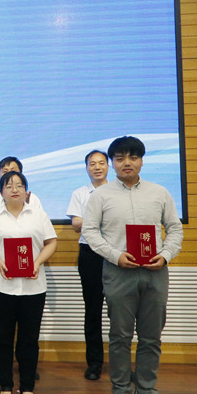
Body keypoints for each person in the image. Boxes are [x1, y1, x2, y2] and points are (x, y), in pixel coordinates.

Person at [82, 136, 183, 394]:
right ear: (113, 163)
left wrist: (165, 255)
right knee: (120, 336)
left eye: (133, 157)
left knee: (151, 336)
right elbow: (90, 232)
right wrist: (115, 255)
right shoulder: (100, 195)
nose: (127, 163)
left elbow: (174, 228)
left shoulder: (159, 192)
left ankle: (146, 393)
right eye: (120, 158)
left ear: (141, 161)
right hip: (119, 271)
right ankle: (121, 392)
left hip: (155, 271)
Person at [0, 171, 57, 394]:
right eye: (9, 185)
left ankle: (28, 387)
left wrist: (38, 262)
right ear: (1, 192)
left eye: (19, 185)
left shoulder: (38, 214)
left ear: (26, 191)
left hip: (33, 287)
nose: (14, 189)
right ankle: (5, 386)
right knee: (3, 337)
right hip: (1, 286)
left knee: (29, 339)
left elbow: (51, 242)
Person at [65, 150, 109, 380]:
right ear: (86, 168)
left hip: (116, 254)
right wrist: (104, 220)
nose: (97, 167)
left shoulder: (119, 191)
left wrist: (90, 220)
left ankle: (121, 364)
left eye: (101, 163)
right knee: (92, 310)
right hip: (90, 254)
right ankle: (94, 363)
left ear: (109, 166)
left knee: (121, 311)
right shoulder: (80, 193)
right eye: (92, 164)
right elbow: (76, 224)